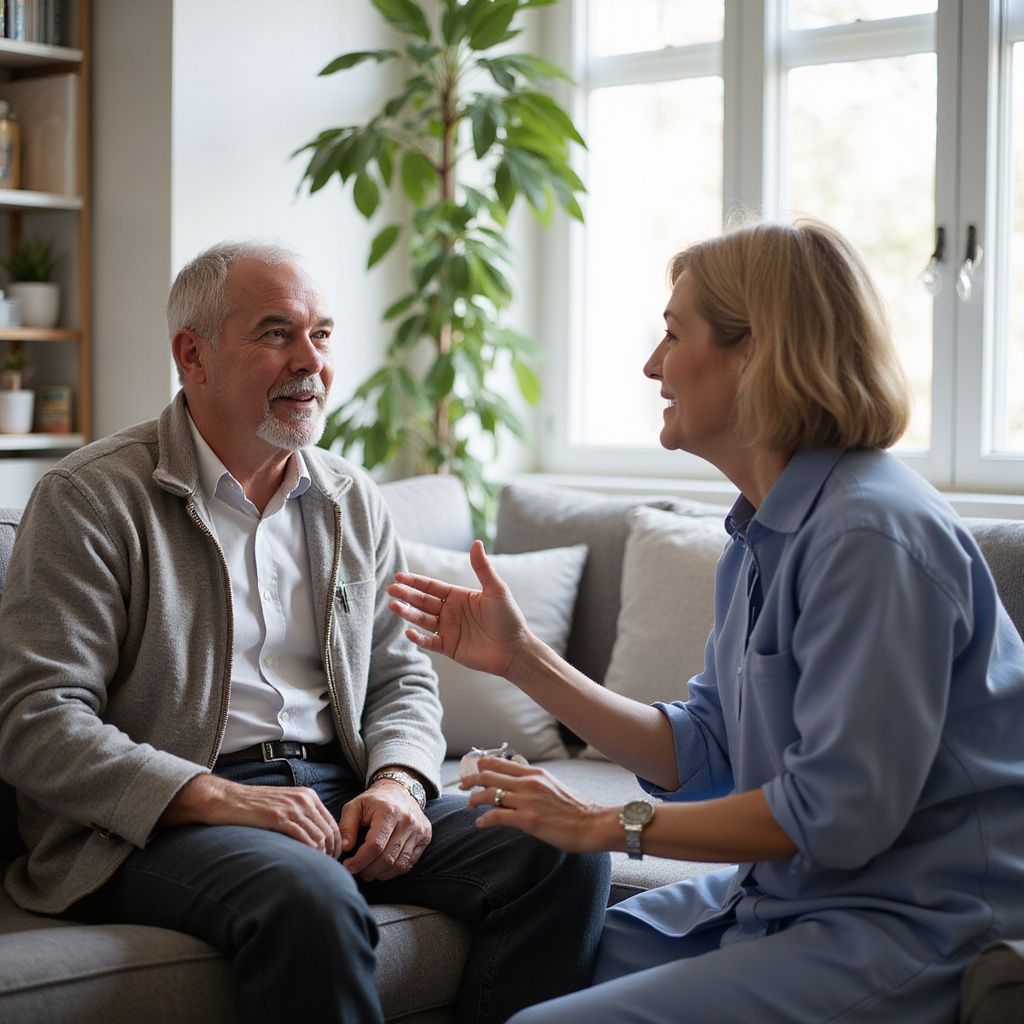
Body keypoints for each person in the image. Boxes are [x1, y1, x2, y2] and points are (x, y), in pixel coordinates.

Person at [388, 219, 1024, 1024]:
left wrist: (604, 824)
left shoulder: (869, 538)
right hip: (780, 906)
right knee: (528, 962)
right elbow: (707, 749)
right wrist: (524, 660)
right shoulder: (758, 534)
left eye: (672, 334)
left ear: (756, 351)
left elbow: (838, 814)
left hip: (916, 926)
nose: (652, 365)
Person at [0, 241, 610, 1024]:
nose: (311, 363)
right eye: (276, 333)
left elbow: (401, 677)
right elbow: (36, 721)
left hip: (338, 789)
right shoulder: (91, 499)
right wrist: (215, 797)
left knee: (559, 842)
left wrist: (398, 783)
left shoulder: (352, 499)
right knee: (307, 894)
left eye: (321, 336)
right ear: (194, 355)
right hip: (160, 820)